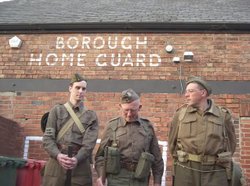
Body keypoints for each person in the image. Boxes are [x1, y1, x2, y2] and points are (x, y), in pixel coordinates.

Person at [168, 76, 237, 186]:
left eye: (190, 91)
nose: (186, 95)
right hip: (186, 170)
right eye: (186, 91)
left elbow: (231, 144)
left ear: (203, 93)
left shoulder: (223, 116)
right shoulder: (180, 115)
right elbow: (172, 143)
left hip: (215, 171)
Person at [95, 88, 164, 186]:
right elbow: (100, 156)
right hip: (116, 180)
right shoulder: (112, 126)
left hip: (140, 180)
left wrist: (157, 182)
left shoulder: (147, 127)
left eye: (133, 110)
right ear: (120, 107)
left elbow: (157, 158)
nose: (129, 114)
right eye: (126, 110)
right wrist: (101, 176)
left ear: (139, 107)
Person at [42, 73, 99, 186]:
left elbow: (89, 144)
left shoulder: (91, 116)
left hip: (80, 166)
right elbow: (48, 139)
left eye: (83, 88)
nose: (80, 91)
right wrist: (58, 155)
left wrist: (76, 159)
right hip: (56, 162)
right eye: (77, 87)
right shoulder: (56, 111)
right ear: (70, 88)